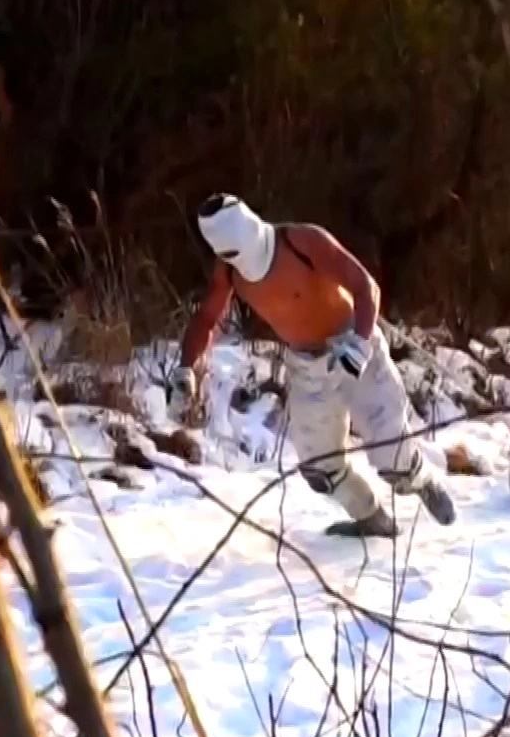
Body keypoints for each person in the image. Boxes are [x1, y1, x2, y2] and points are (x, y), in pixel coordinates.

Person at [175, 194, 455, 537]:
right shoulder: (229, 273)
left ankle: (422, 480)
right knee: (320, 468)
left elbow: (365, 286)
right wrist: (185, 368)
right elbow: (207, 320)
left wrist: (360, 342)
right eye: (229, 254)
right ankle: (371, 518)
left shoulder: (302, 242)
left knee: (393, 459)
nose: (240, 260)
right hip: (306, 366)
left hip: (353, 347)